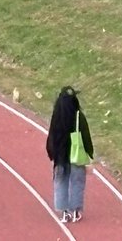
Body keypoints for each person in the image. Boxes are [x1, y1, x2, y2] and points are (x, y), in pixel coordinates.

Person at [46, 86, 93, 225]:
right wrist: (90, 154)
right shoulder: (79, 117)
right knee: (77, 183)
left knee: (61, 181)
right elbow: (85, 137)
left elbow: (51, 137)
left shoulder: (57, 118)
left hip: (60, 156)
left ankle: (64, 212)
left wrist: (52, 155)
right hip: (76, 156)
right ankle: (75, 211)